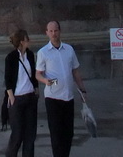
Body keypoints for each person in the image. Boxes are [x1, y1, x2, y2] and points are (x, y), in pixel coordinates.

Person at [36, 20, 88, 157]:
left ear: (60, 31)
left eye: (56, 30)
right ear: (47, 33)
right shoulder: (43, 52)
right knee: (56, 133)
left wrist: (82, 89)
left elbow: (75, 71)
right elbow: (37, 74)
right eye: (51, 31)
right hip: (53, 97)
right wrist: (45, 80)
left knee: (68, 133)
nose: (54, 34)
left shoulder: (69, 49)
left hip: (68, 96)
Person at [3, 28, 38, 157]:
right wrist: (11, 97)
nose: (29, 41)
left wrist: (36, 89)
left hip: (30, 96)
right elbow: (7, 79)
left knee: (30, 134)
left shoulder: (29, 55)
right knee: (17, 134)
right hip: (17, 98)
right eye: (27, 39)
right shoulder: (11, 57)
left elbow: (33, 73)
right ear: (22, 41)